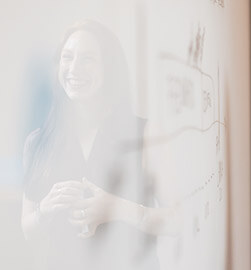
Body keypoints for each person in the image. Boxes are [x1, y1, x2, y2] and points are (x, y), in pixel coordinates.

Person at [21, 20, 169, 270]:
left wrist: (117, 208)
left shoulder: (145, 134)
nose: (74, 68)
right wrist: (45, 209)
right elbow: (28, 230)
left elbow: (178, 220)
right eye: (67, 57)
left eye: (88, 59)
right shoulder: (38, 142)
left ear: (110, 68)